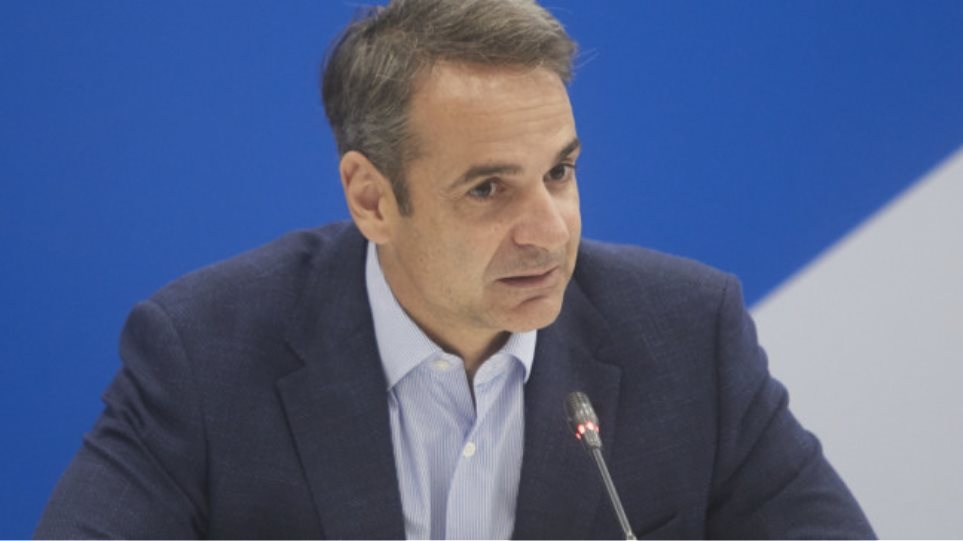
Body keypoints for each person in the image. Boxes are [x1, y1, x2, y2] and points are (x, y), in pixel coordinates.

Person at [36, 0, 875, 539]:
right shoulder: (206, 353)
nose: (547, 232)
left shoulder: (686, 336)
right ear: (371, 199)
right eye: (487, 189)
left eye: (559, 172)